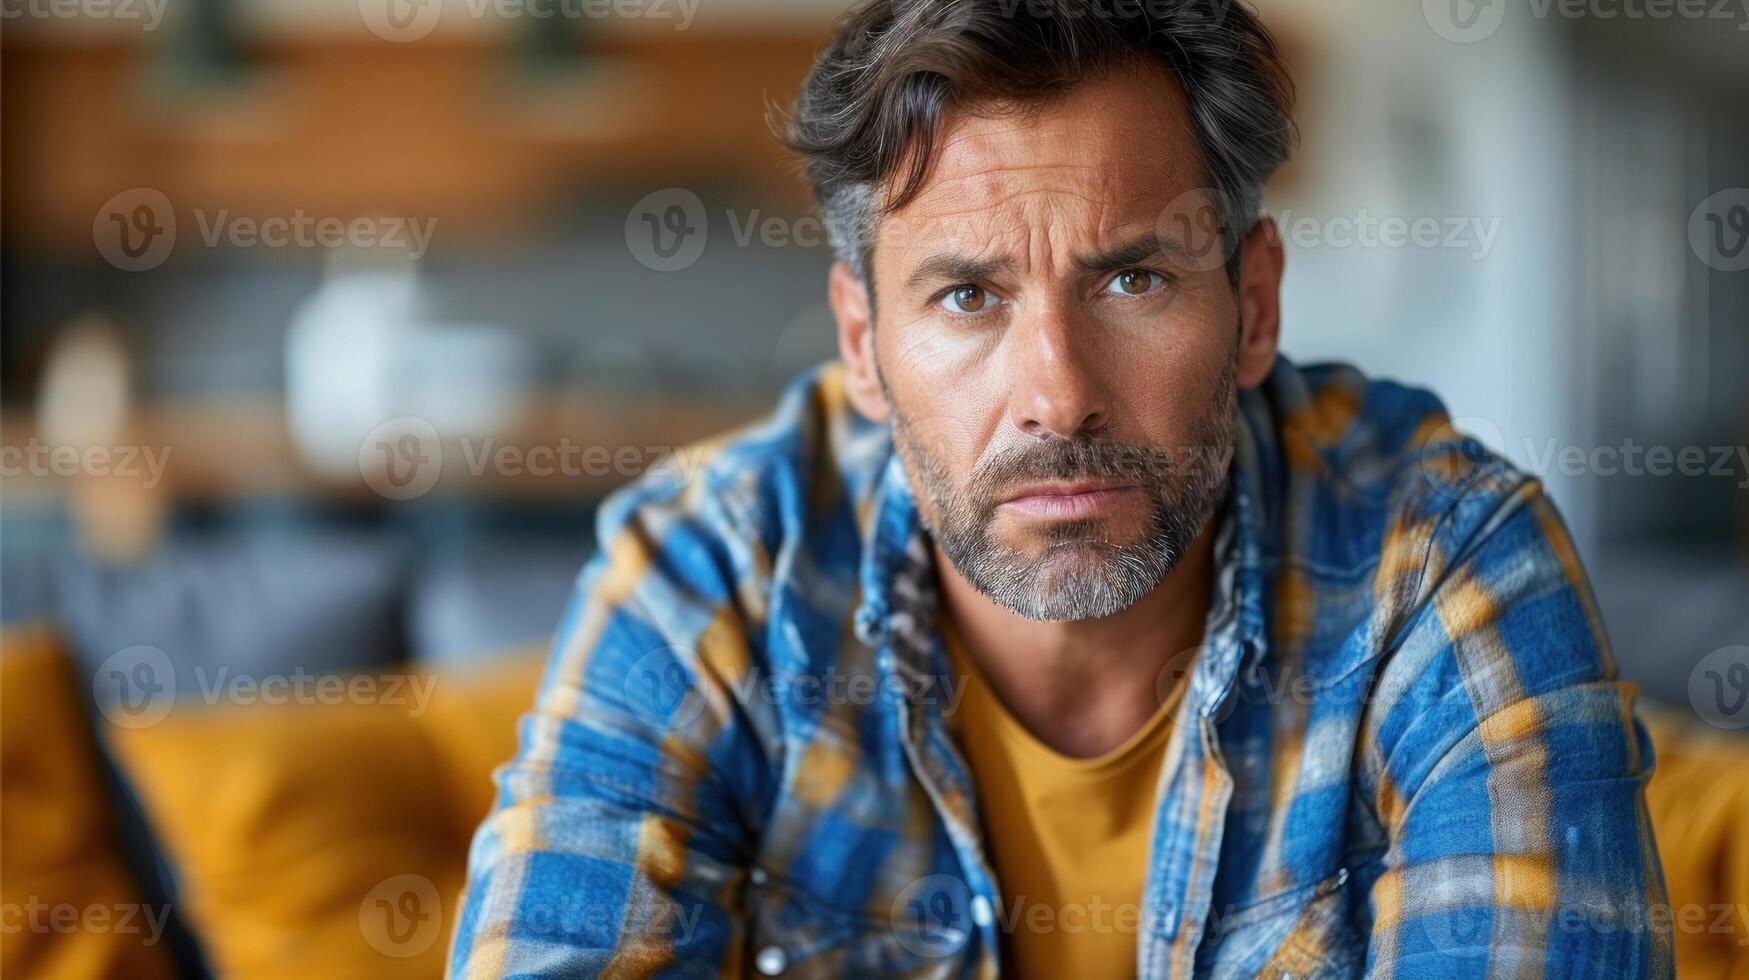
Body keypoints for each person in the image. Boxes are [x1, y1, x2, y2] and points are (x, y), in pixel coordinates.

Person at [450, 0, 1671, 974]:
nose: (1058, 394)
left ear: (1253, 306)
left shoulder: (1444, 559)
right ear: (865, 348)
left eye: (1133, 279)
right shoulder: (709, 568)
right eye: (968, 296)